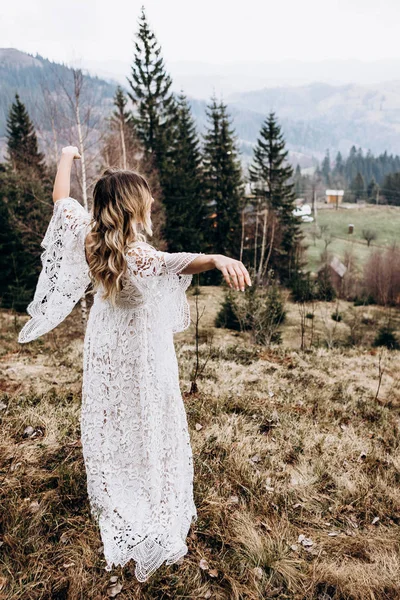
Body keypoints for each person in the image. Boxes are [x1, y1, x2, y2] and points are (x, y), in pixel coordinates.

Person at [17, 146, 252, 582]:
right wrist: (218, 258)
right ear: (130, 206)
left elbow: (60, 199)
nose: (152, 202)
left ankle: (116, 475)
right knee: (148, 410)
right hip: (141, 346)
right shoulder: (137, 255)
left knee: (114, 412)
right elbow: (180, 262)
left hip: (105, 336)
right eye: (145, 197)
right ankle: (144, 487)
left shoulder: (86, 234)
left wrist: (67, 156)